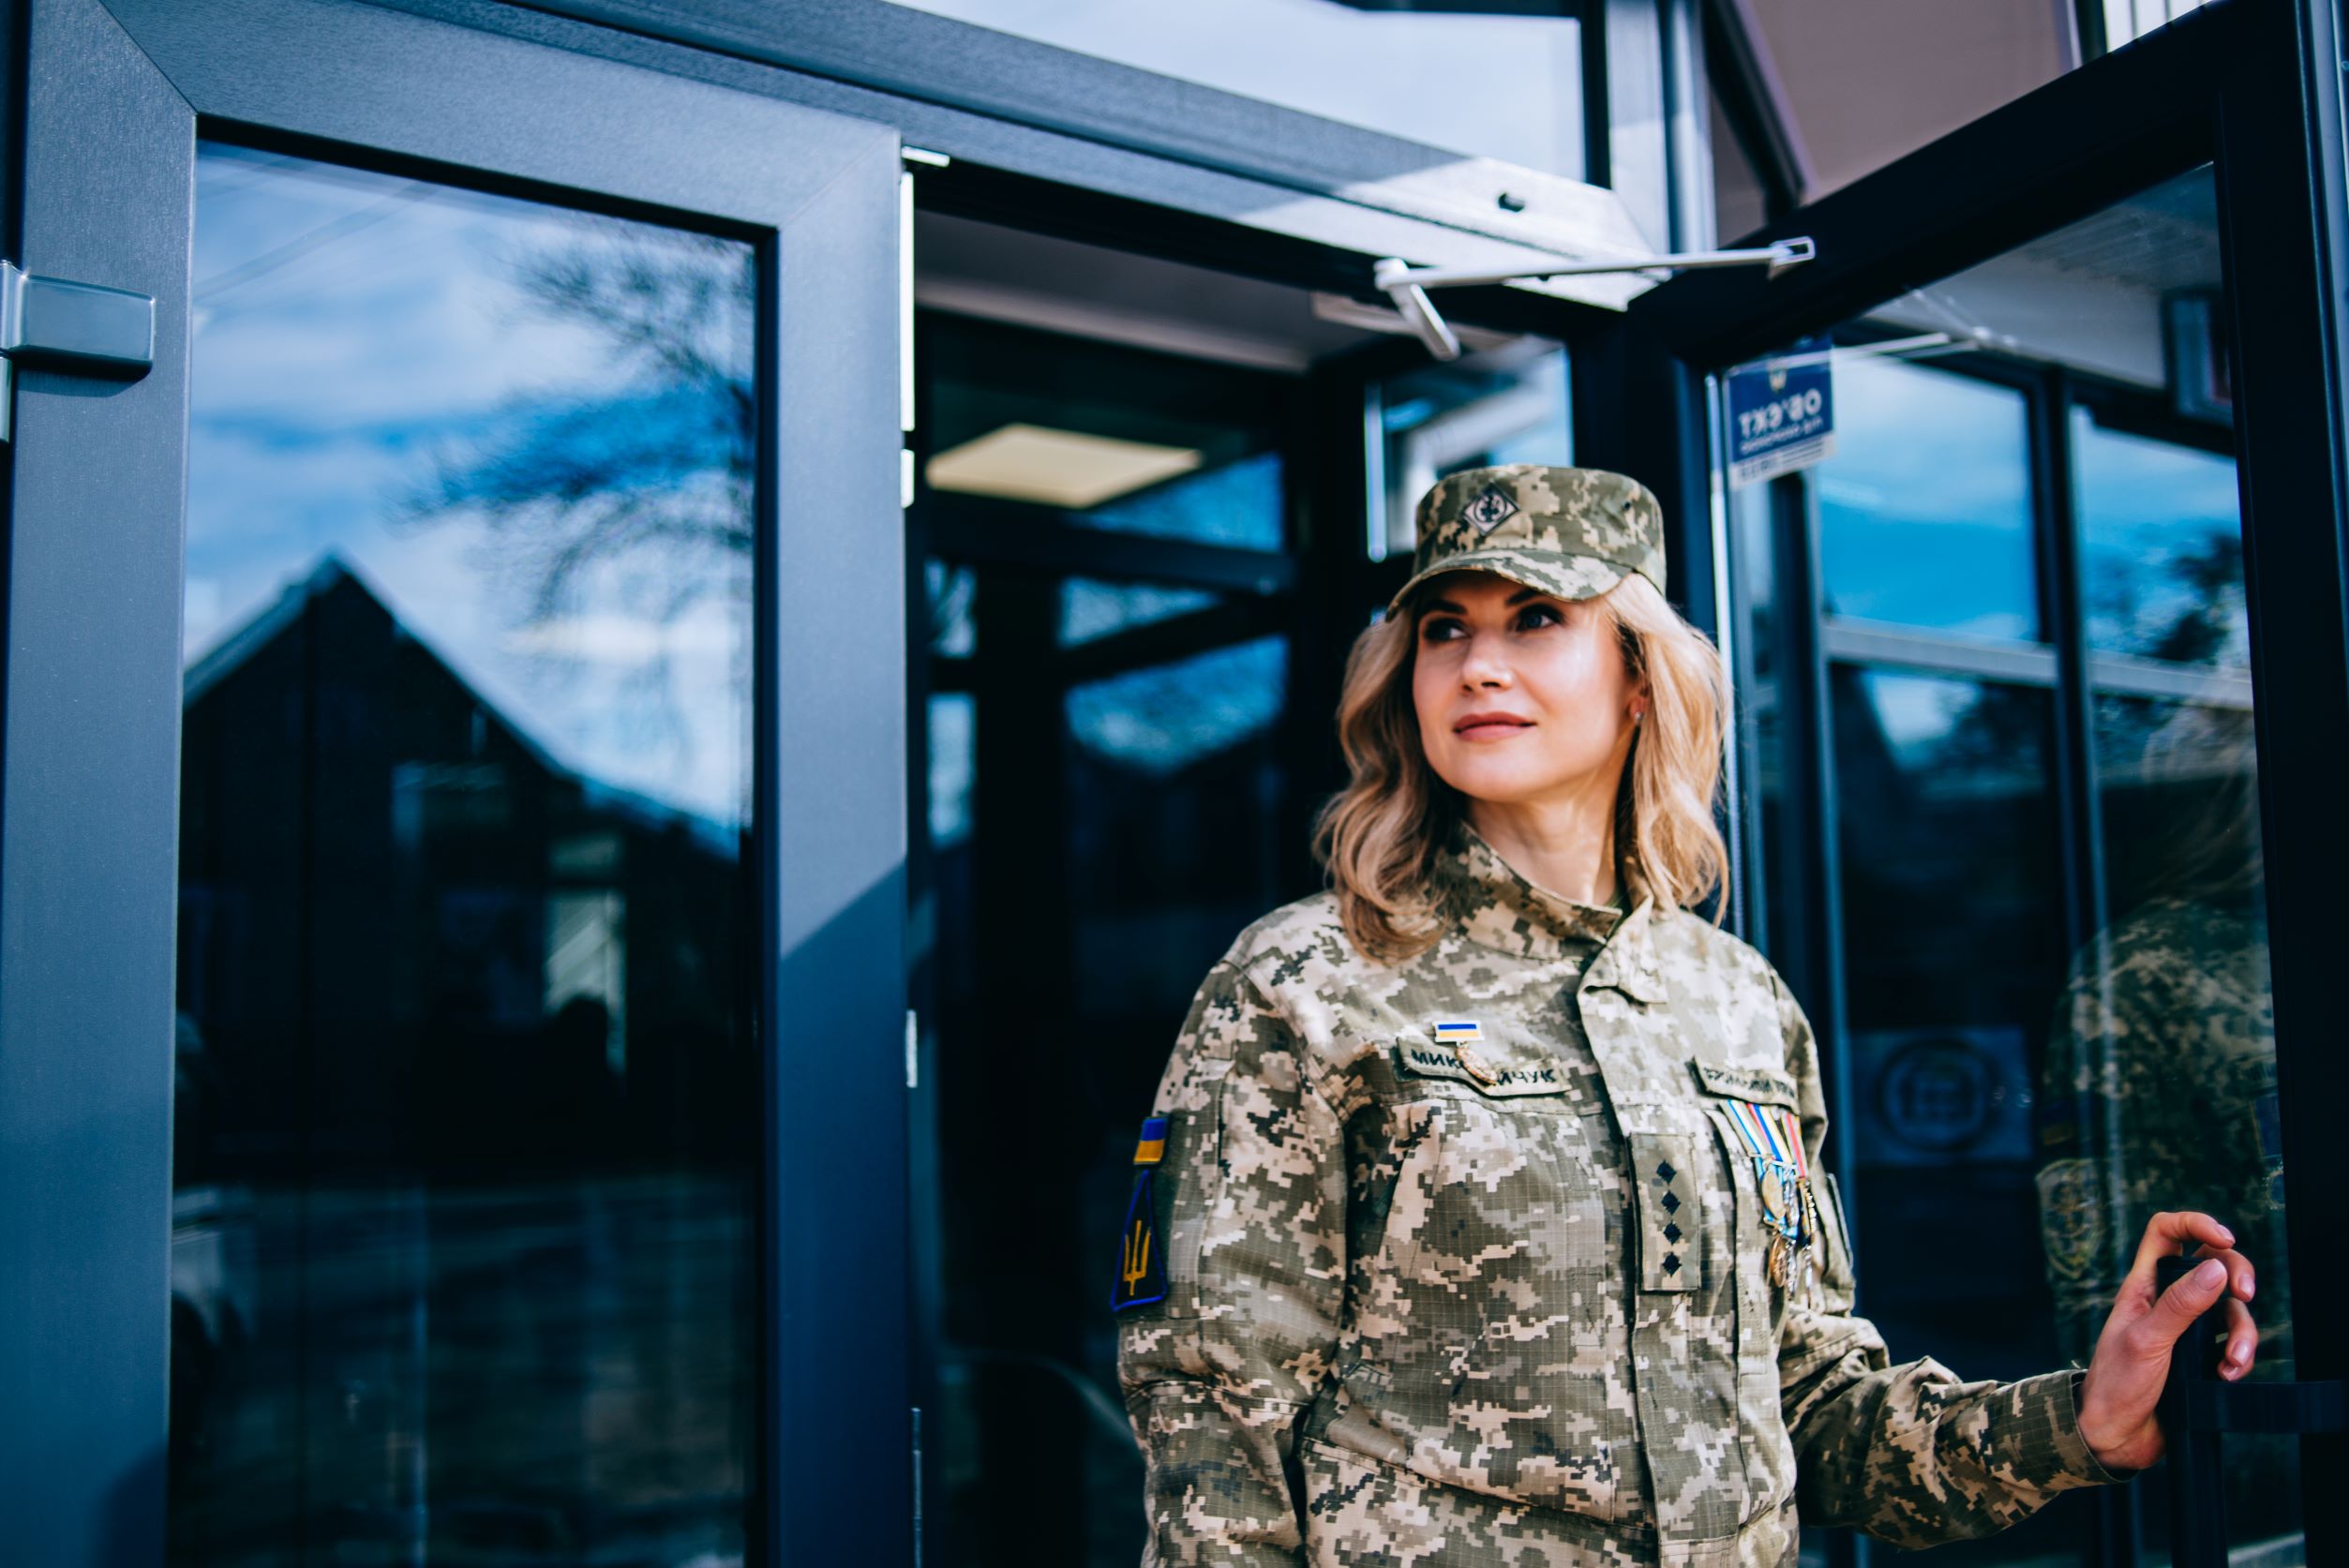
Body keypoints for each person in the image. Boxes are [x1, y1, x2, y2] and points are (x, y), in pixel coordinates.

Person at [1113, 465, 2258, 1567]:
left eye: (1534, 617)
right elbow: (1216, 1408)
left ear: (1639, 679)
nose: (1477, 664)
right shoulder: (1306, 977)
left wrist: (2082, 1420)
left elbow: (1811, 1402)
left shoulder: (1740, 1001)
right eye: (1443, 628)